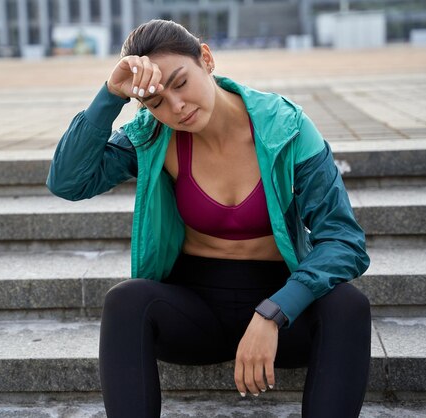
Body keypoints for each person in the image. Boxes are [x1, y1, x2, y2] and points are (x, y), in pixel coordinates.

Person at [48, 19, 371, 418]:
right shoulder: (152, 136)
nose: (176, 107)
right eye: (156, 101)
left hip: (281, 310)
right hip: (194, 313)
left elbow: (344, 241)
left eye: (180, 83)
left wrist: (276, 310)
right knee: (126, 301)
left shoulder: (285, 128)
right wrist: (111, 95)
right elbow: (68, 181)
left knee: (347, 305)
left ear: (206, 58)